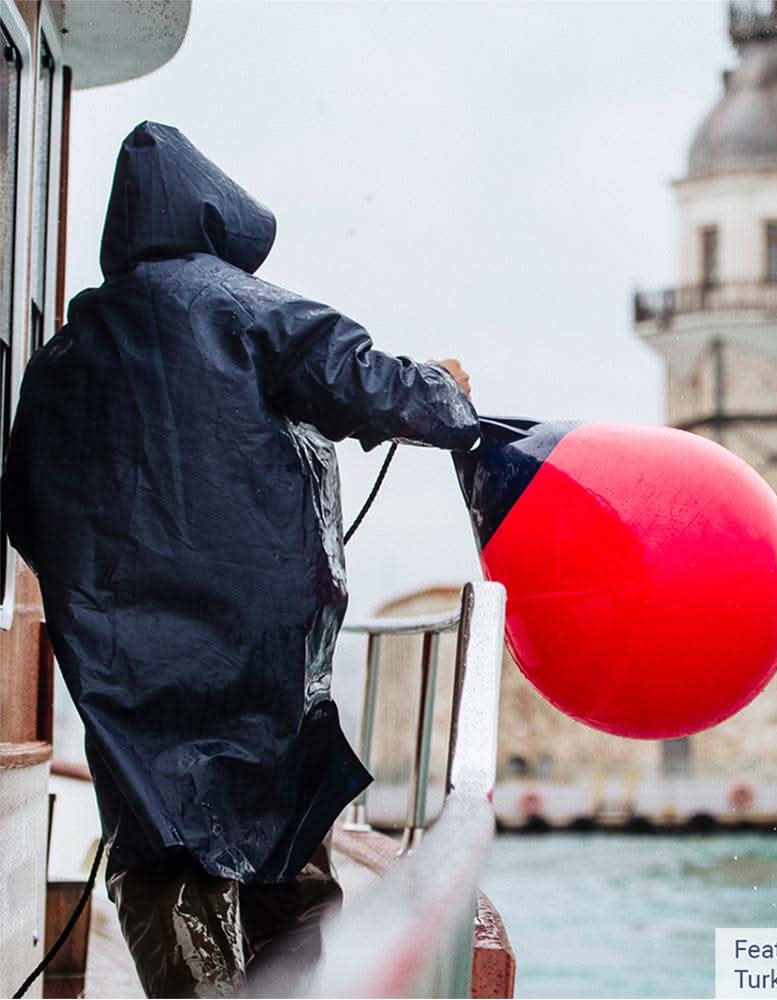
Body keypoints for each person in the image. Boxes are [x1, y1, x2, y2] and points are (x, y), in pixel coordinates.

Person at [1, 121, 479, 997]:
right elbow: (368, 380)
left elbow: (25, 504)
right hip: (261, 653)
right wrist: (446, 390)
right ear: (215, 215)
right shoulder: (245, 308)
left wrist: (100, 606)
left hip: (124, 667)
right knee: (285, 833)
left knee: (156, 846)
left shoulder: (65, 352)